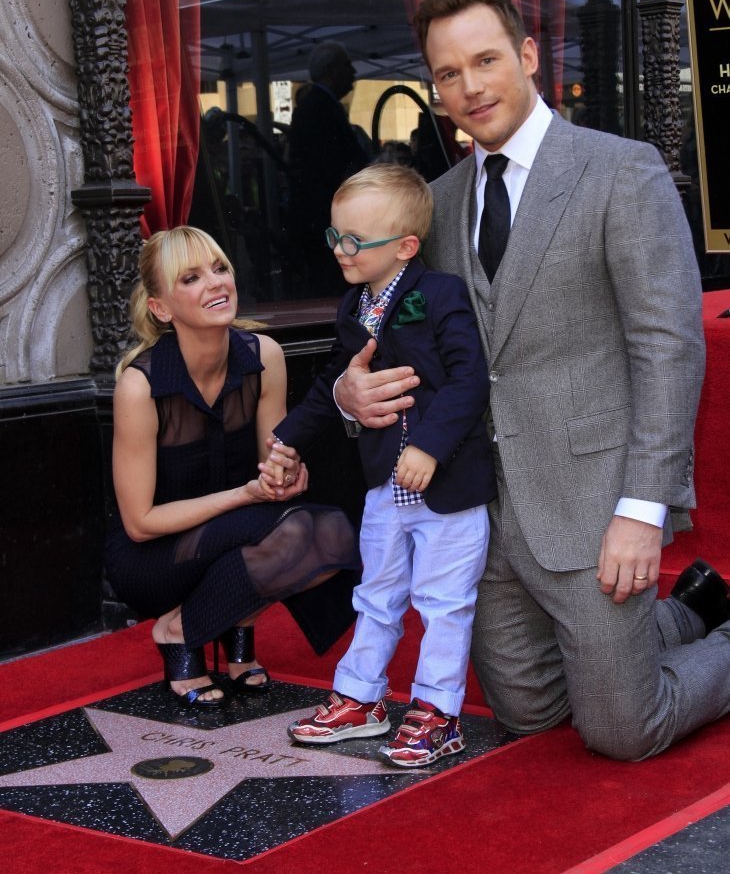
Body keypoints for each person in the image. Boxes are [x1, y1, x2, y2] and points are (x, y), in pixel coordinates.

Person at [333, 0, 730, 761]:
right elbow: (392, 330)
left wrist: (643, 509)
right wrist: (350, 392)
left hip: (591, 505)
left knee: (622, 727)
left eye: (484, 60)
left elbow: (668, 346)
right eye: (448, 73)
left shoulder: (622, 169)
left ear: (527, 54)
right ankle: (685, 611)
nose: (470, 86)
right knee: (530, 714)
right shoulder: (434, 205)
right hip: (478, 513)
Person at [269, 163, 495, 767]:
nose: (341, 250)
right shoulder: (354, 307)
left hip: (446, 486)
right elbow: (336, 384)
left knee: (443, 601)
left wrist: (430, 445)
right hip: (383, 487)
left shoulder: (440, 295)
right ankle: (361, 698)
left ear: (405, 247)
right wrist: (289, 437)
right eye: (335, 237)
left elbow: (470, 380)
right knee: (377, 593)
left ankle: (437, 711)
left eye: (355, 241)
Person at [105, 226, 360, 709]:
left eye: (220, 268)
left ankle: (232, 620)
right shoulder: (140, 386)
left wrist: (285, 475)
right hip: (155, 558)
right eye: (191, 278)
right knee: (279, 529)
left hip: (234, 527)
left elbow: (273, 459)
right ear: (161, 307)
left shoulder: (264, 357)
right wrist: (247, 495)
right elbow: (139, 525)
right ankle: (178, 629)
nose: (215, 283)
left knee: (326, 532)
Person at [287, 41, 370, 297]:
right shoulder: (319, 108)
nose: (354, 73)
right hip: (324, 217)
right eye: (347, 66)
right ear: (331, 70)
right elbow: (327, 167)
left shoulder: (320, 105)